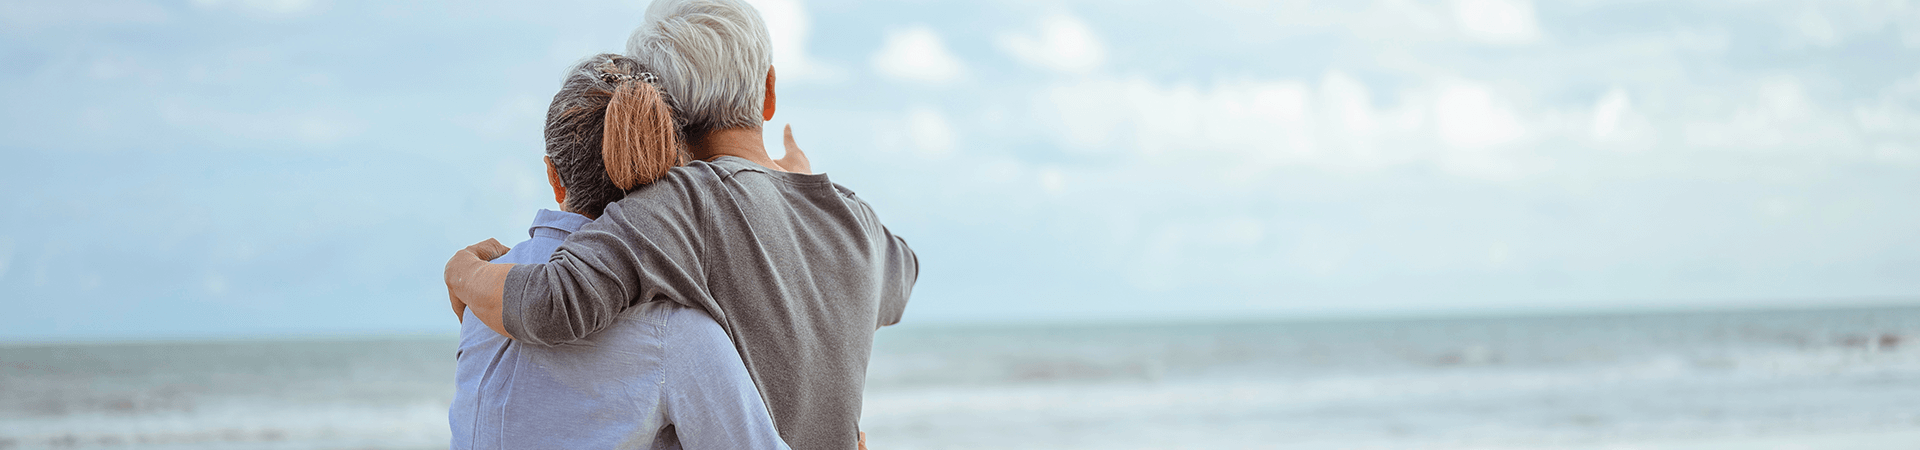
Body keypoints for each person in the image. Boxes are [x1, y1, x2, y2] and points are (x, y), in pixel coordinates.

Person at [444, 0, 918, 448]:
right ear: (769, 91)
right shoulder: (855, 221)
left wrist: (461, 273)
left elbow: (551, 301)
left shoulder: (679, 205)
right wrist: (797, 183)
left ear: (662, 116)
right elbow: (905, 272)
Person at [449, 53, 800, 449]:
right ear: (669, 173)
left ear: (554, 176)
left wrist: (460, 271)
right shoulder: (675, 332)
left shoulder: (484, 293)